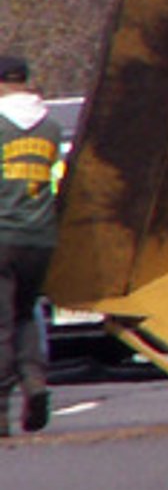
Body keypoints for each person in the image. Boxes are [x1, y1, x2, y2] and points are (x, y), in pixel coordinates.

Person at [0, 55, 61, 437]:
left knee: (0, 325)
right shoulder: (51, 128)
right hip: (40, 237)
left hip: (2, 235)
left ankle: (0, 409)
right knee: (25, 314)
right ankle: (34, 381)